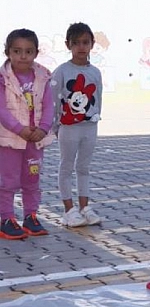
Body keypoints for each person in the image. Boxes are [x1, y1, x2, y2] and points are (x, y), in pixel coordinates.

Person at [0, 29, 55, 239]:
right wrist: (19, 129)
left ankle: (31, 217)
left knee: (32, 179)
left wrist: (43, 128)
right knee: (8, 181)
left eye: (28, 51)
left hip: (35, 140)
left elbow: (49, 105)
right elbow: (2, 110)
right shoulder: (3, 79)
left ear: (36, 53)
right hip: (10, 140)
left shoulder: (43, 77)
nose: (23, 56)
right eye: (17, 51)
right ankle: (6, 219)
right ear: (8, 52)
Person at [51, 23, 103, 227]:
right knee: (66, 166)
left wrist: (95, 117)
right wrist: (56, 127)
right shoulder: (62, 71)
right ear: (68, 45)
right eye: (76, 43)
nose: (81, 47)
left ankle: (84, 207)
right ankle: (68, 210)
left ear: (92, 44)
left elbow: (98, 98)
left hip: (89, 126)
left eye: (85, 42)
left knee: (84, 167)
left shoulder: (96, 72)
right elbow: (53, 100)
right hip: (68, 127)